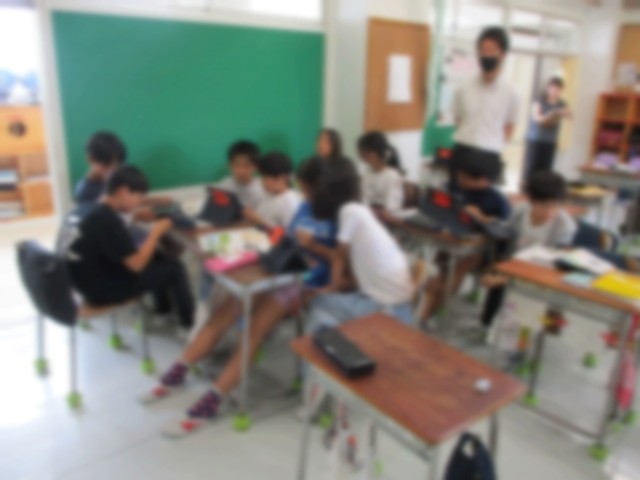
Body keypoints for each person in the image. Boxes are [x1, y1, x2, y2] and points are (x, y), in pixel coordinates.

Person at [140, 156, 339, 434]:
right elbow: (287, 239)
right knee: (226, 310)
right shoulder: (306, 206)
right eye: (303, 189)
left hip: (304, 284)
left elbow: (341, 266)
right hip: (283, 269)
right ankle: (178, 371)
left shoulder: (340, 216)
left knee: (253, 328)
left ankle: (213, 398)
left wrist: (311, 289)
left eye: (307, 189)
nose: (303, 195)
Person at [66, 165, 194, 330]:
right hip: (99, 291)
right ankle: (188, 323)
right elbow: (136, 265)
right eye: (138, 196)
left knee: (156, 256)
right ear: (123, 191)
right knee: (174, 267)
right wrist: (155, 232)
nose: (139, 202)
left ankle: (163, 310)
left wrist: (135, 216)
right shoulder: (107, 219)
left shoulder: (90, 208)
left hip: (81, 283)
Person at [306, 157, 414, 332]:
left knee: (319, 302)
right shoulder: (361, 211)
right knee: (327, 309)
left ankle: (322, 348)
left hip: (386, 309)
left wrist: (330, 288)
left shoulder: (349, 211)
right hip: (397, 305)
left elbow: (339, 256)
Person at [420, 152, 511, 324]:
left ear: (484, 179)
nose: (460, 179)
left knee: (459, 267)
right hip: (452, 240)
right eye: (459, 174)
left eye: (465, 176)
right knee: (437, 269)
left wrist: (483, 218)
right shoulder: (453, 186)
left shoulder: (497, 200)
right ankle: (428, 305)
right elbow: (439, 207)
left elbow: (505, 231)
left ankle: (432, 311)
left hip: (480, 252)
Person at [480, 171, 577, 327]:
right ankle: (488, 324)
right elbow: (504, 235)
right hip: (514, 265)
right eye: (543, 206)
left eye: (555, 206)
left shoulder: (564, 226)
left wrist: (505, 278)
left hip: (541, 275)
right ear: (531, 200)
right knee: (497, 281)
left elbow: (552, 265)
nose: (549, 212)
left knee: (521, 316)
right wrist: (494, 268)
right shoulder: (520, 211)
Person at [450, 26, 518, 191]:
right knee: (455, 200)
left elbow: (509, 128)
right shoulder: (463, 87)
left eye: (491, 50)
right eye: (482, 50)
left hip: (489, 154)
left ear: (503, 54)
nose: (486, 55)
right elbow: (457, 119)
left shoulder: (512, 92)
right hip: (463, 149)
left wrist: (491, 141)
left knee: (484, 204)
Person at [523, 77, 571, 183]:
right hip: (535, 139)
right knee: (532, 167)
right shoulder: (539, 101)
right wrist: (552, 115)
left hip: (550, 141)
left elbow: (569, 115)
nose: (554, 91)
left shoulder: (562, 104)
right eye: (552, 88)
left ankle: (542, 189)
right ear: (548, 88)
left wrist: (564, 113)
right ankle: (527, 187)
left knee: (546, 170)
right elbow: (537, 118)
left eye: (558, 89)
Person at [243, 151, 302, 229]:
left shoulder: (290, 202)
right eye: (263, 176)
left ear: (283, 177)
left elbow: (289, 234)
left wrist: (259, 221)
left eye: (269, 178)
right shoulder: (268, 194)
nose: (265, 182)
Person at [357, 131, 405, 214]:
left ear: (379, 152)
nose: (363, 156)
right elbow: (363, 198)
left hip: (386, 216)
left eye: (367, 152)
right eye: (362, 152)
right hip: (368, 214)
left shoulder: (392, 175)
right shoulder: (366, 173)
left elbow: (392, 205)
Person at [74, 131, 127, 205]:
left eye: (117, 165)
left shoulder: (117, 178)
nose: (112, 170)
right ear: (90, 159)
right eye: (106, 165)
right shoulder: (84, 191)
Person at [217, 140, 265, 209]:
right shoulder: (223, 187)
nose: (240, 171)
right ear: (229, 165)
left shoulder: (264, 187)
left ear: (255, 167)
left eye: (246, 166)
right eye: (236, 165)